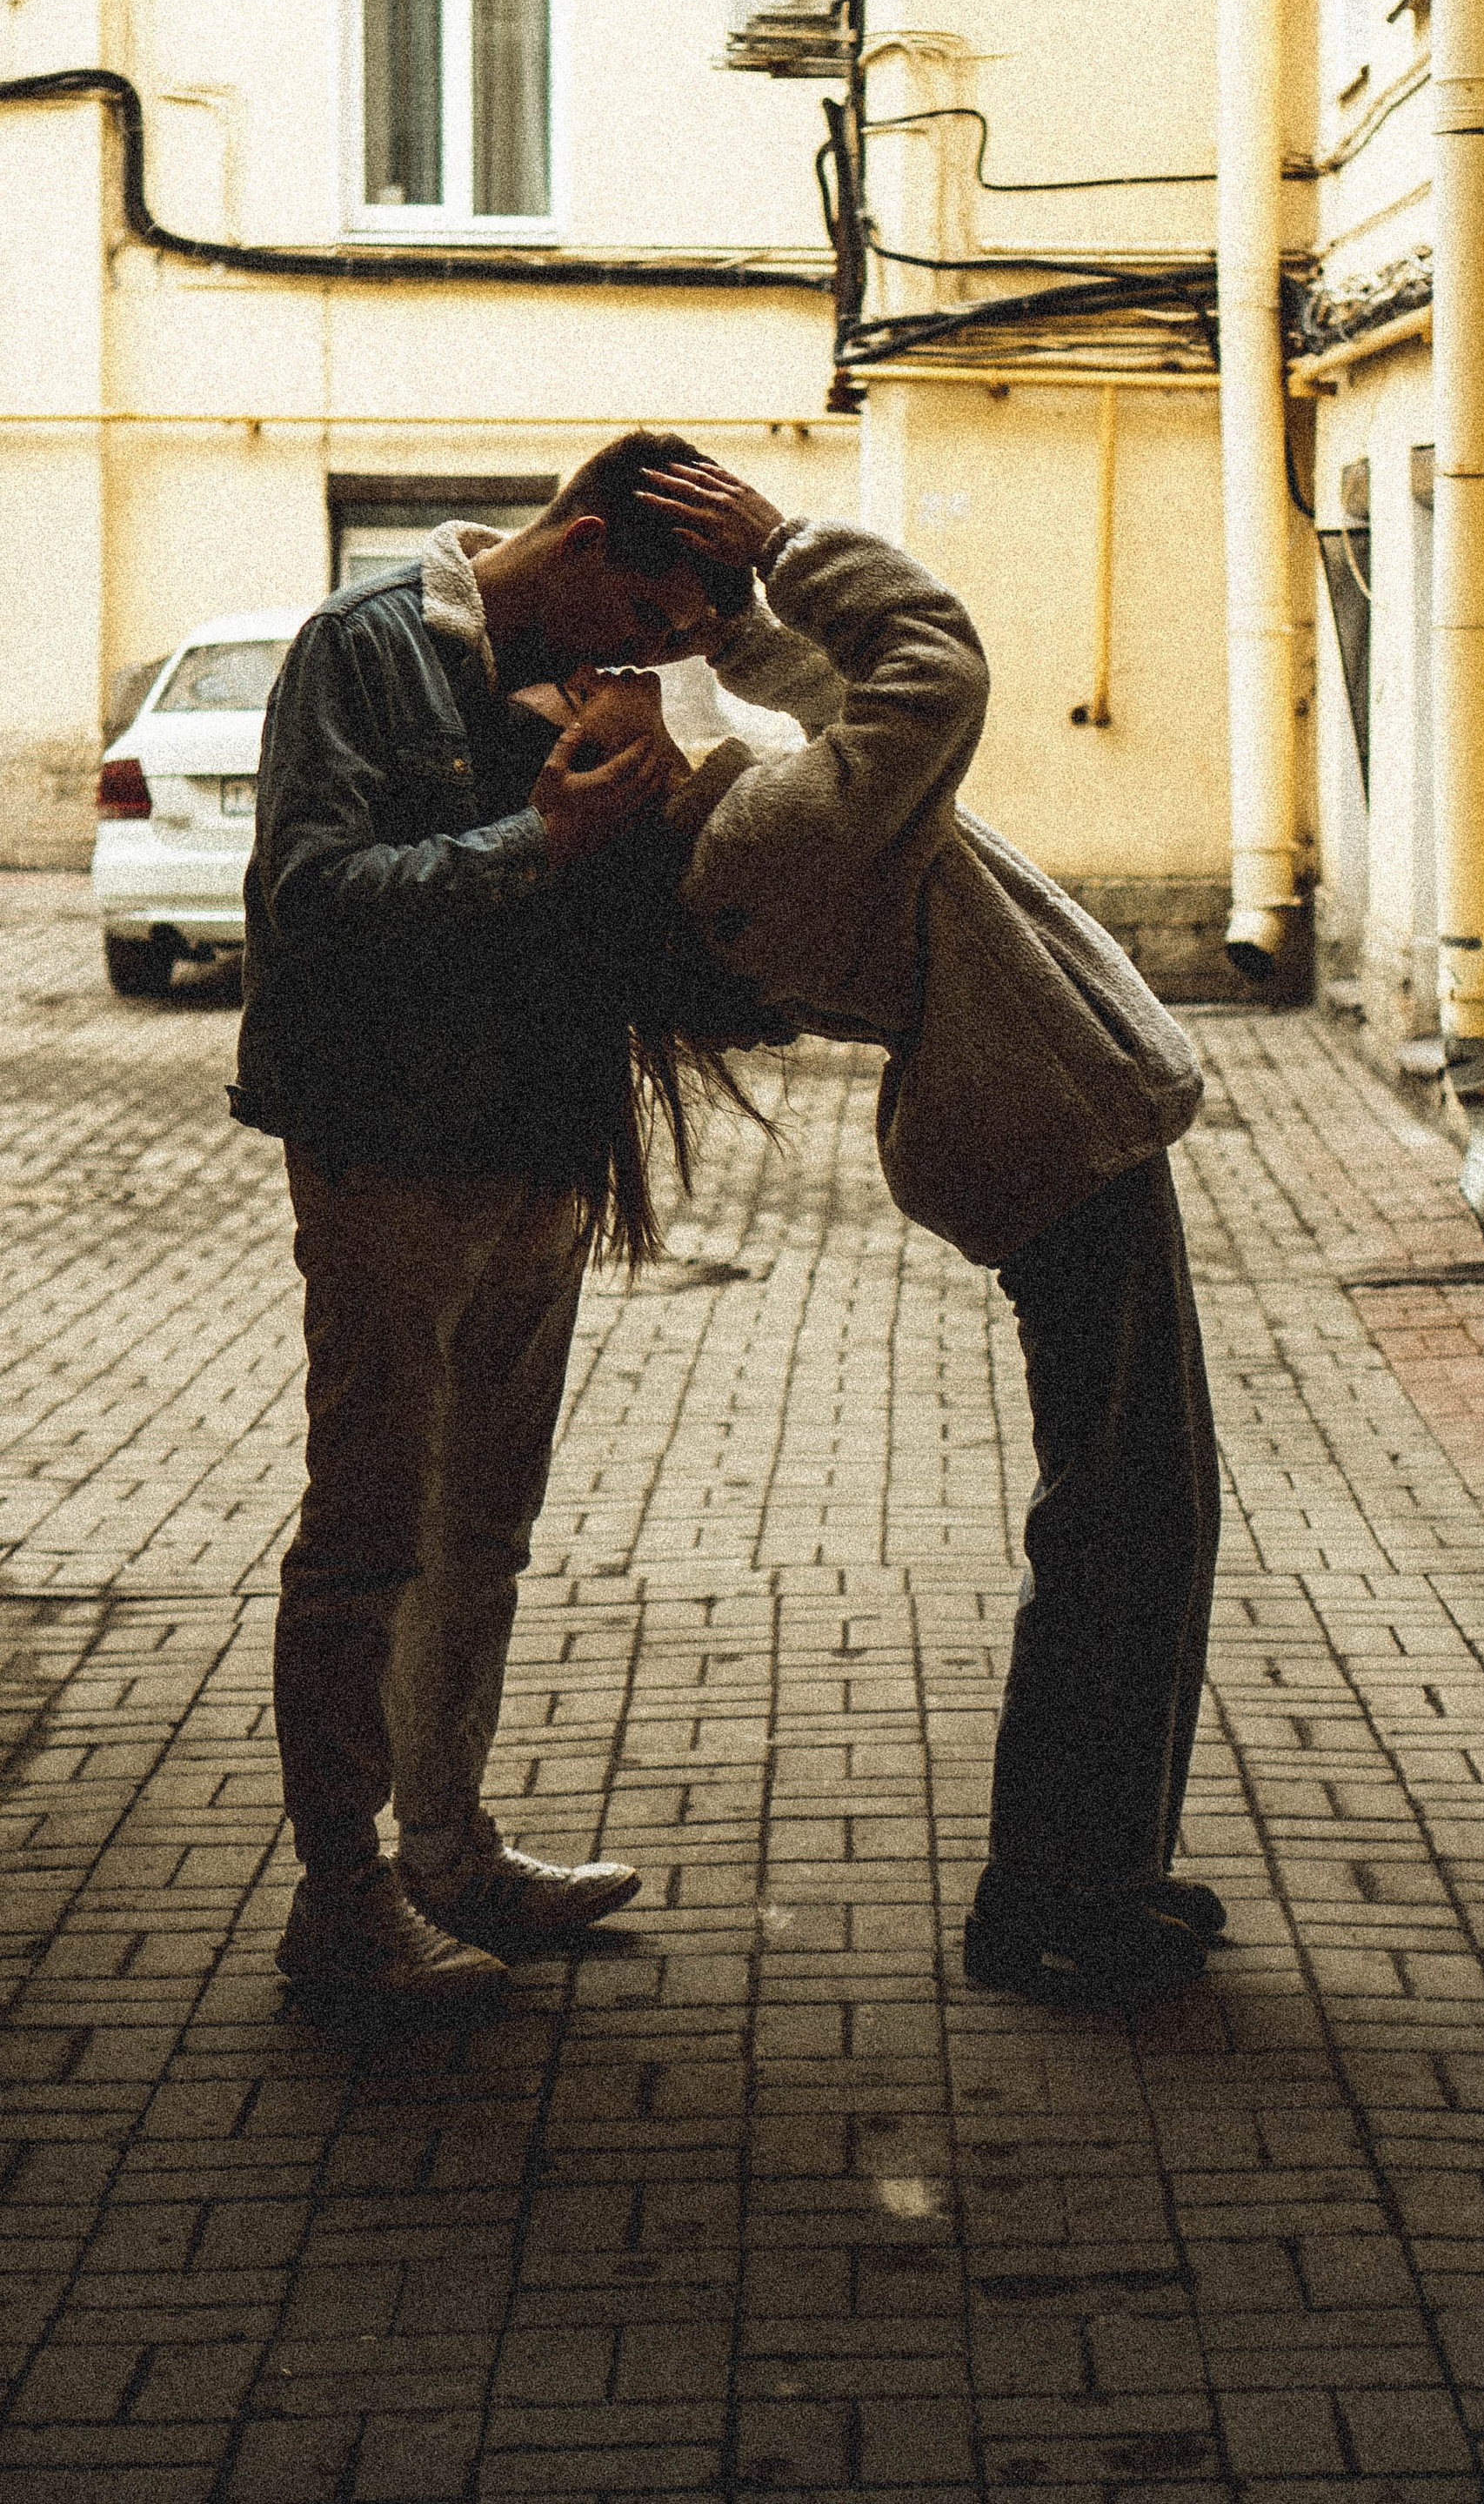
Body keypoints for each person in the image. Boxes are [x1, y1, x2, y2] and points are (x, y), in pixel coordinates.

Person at [595, 454, 1224, 2012]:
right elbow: (928, 675)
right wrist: (787, 545)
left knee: (1142, 1511)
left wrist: (738, 629)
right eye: (584, 706)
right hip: (1052, 1136)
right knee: (1120, 1523)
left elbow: (845, 716)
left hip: (1046, 1129)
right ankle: (1055, 1895)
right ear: (593, 787)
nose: (615, 685)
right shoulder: (748, 847)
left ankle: (1096, 1869)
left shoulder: (742, 830)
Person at [233, 432, 749, 2017]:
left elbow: (644, 928)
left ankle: (449, 1854)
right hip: (389, 1154)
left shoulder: (583, 681)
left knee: (483, 1530)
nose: (647, 658)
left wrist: (659, 798)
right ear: (583, 543)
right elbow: (315, 899)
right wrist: (545, 839)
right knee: (367, 1532)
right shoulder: (364, 646)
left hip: (539, 1151)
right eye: (647, 620)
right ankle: (339, 1899)